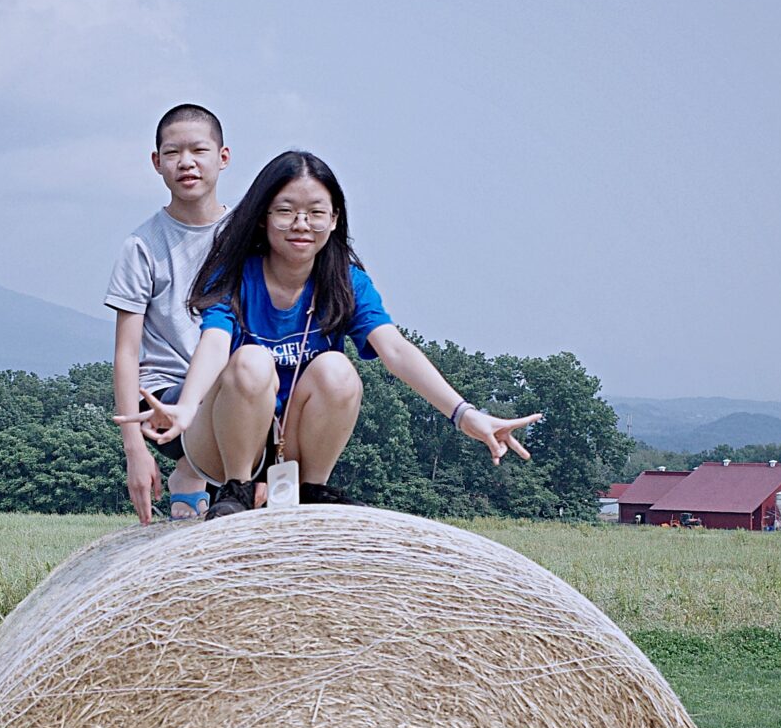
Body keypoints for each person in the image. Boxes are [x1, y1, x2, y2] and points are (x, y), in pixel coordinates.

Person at [121, 148, 541, 514]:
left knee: (338, 369)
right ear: (263, 217)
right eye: (285, 211)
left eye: (316, 212)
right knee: (250, 360)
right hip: (226, 437)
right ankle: (236, 491)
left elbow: (394, 350)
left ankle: (313, 490)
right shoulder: (236, 274)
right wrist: (188, 404)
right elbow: (214, 343)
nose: (301, 223)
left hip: (297, 438)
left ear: (335, 219)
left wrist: (463, 414)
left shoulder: (345, 281)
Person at [105, 104, 232, 522]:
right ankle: (191, 470)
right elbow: (126, 353)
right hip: (165, 401)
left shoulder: (244, 238)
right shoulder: (141, 246)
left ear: (223, 157)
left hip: (236, 392)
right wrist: (134, 451)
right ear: (157, 162)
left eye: (199, 150)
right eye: (173, 153)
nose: (187, 162)